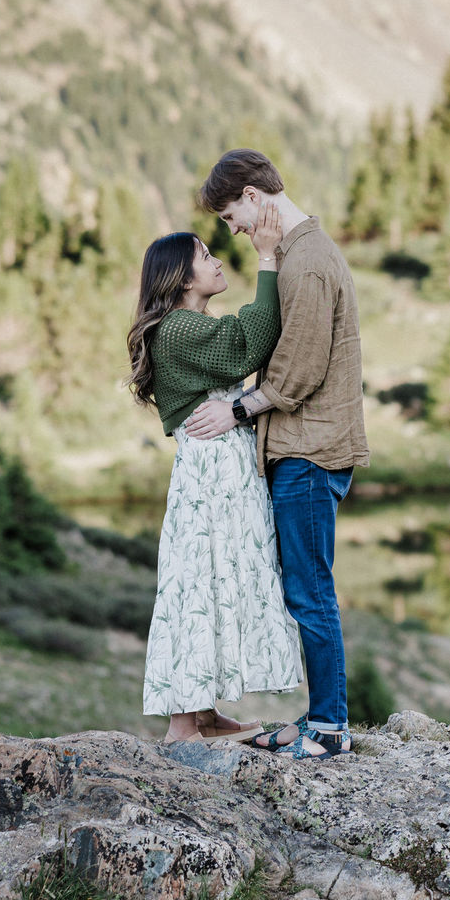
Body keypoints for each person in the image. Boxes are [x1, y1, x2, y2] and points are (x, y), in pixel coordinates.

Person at [182, 148, 369, 759]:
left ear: (255, 197)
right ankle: (318, 719)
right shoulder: (293, 257)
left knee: (311, 591)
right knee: (303, 589)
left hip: (311, 452)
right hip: (300, 448)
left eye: (232, 213)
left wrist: (235, 409)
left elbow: (299, 370)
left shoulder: (307, 263)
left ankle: (330, 729)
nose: (230, 229)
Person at [123, 209, 302, 744]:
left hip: (217, 471)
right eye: (205, 255)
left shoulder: (181, 328)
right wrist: (267, 257)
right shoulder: (178, 330)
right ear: (180, 278)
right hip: (211, 476)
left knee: (211, 581)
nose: (216, 259)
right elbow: (251, 340)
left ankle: (201, 714)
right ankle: (184, 725)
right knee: (201, 582)